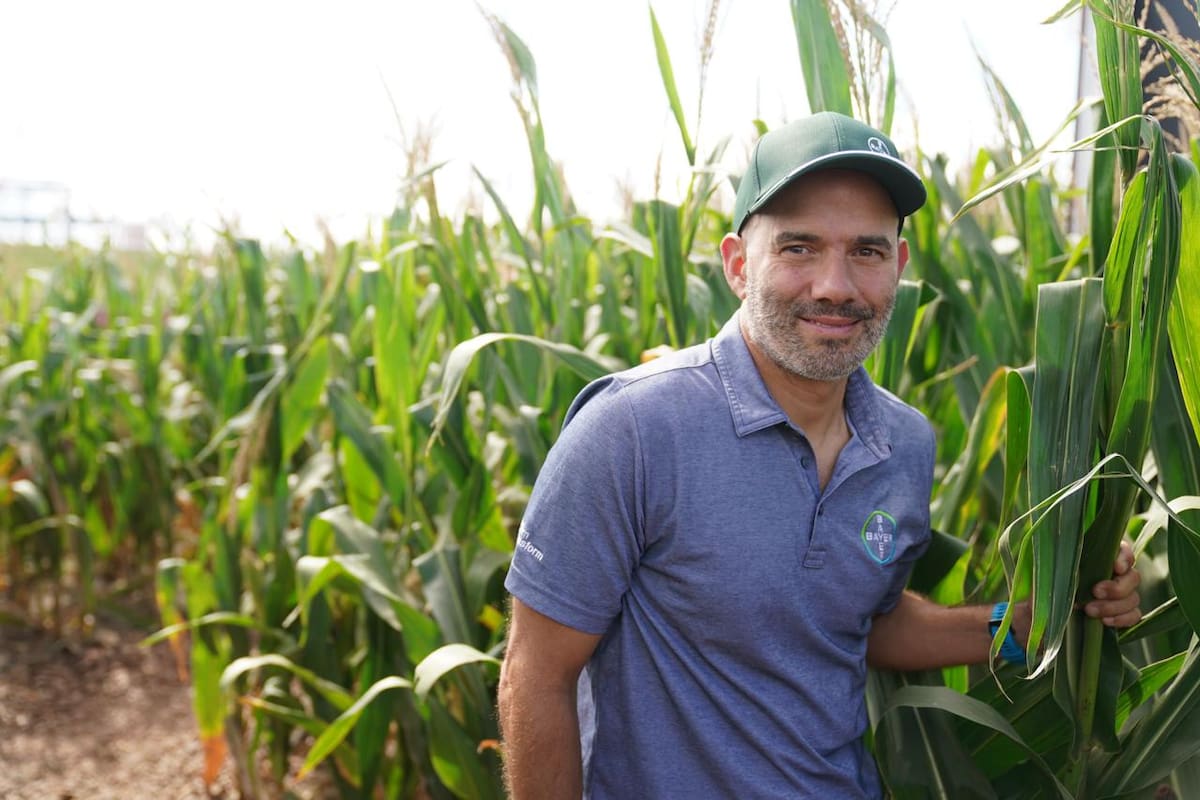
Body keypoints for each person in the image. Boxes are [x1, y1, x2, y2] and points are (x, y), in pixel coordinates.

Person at [497, 111, 1142, 799]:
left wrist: (1041, 623)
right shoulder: (631, 430)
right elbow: (535, 675)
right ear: (738, 264)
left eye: (865, 251)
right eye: (800, 248)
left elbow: (868, 623)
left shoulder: (904, 445)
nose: (835, 286)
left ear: (897, 266)